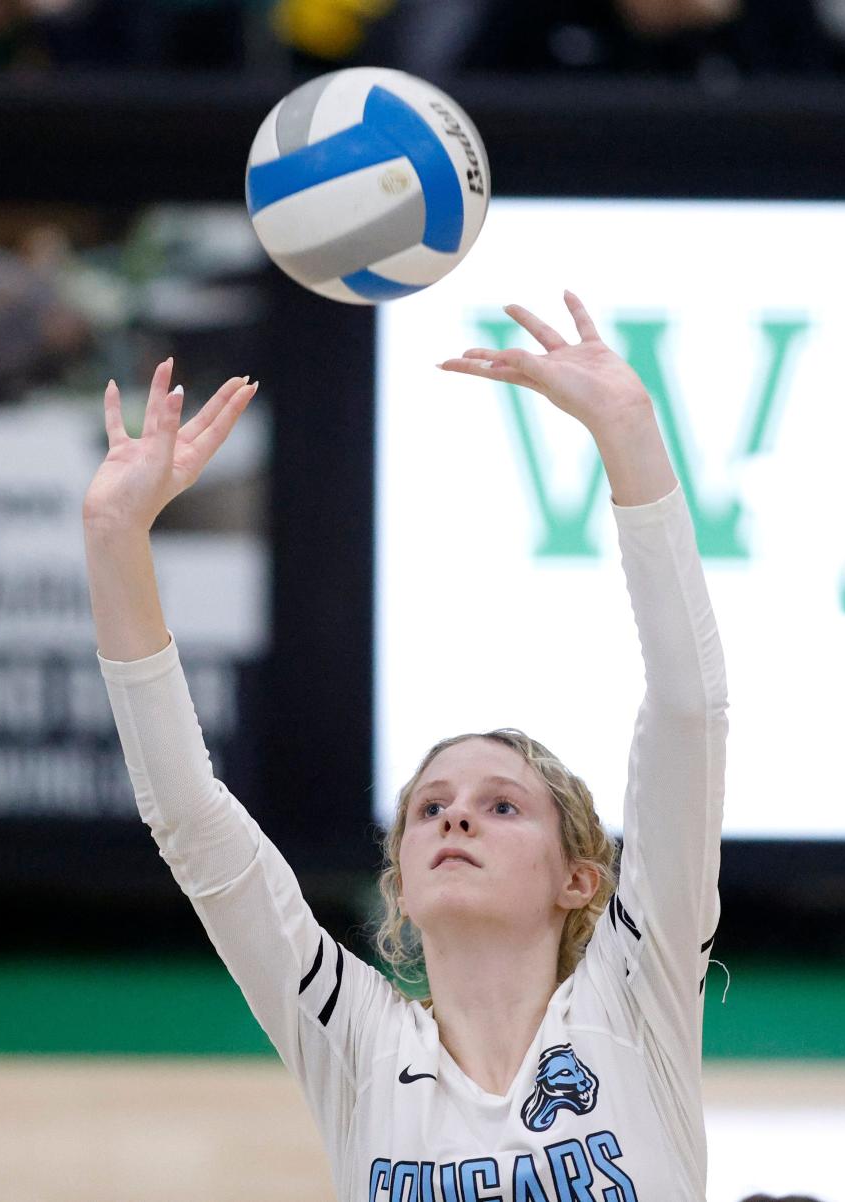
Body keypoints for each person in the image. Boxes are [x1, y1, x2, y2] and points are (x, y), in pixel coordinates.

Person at [82, 291, 729, 1201]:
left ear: (580, 878)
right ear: (403, 881)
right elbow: (192, 820)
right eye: (430, 808)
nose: (455, 814)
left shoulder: (635, 997)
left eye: (500, 806)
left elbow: (688, 714)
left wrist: (627, 433)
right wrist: (115, 539)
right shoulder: (356, 1041)